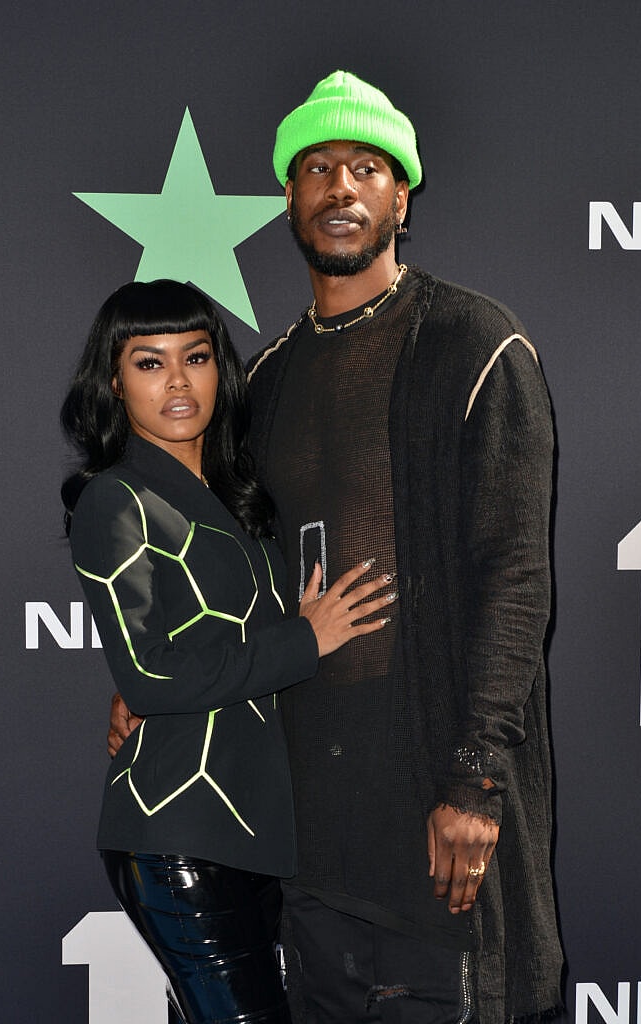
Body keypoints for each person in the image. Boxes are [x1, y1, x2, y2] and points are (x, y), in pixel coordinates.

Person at [109, 72, 564, 1024]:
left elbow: (512, 577)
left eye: (366, 166)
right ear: (289, 197)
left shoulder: (474, 343)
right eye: (317, 168)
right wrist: (166, 677)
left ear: (402, 196)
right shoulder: (266, 379)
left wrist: (474, 781)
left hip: (438, 831)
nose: (341, 187)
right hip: (311, 842)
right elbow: (241, 569)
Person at [61, 278, 398, 1024]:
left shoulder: (240, 496)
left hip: (260, 834)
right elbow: (151, 675)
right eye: (148, 363)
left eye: (197, 356)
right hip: (179, 831)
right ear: (113, 383)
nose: (178, 382)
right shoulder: (114, 499)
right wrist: (306, 636)